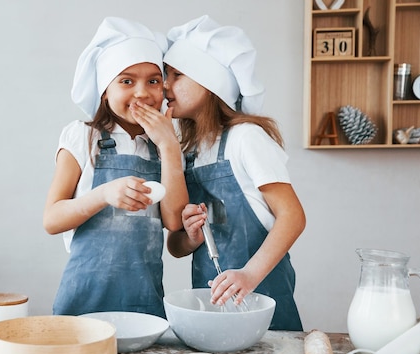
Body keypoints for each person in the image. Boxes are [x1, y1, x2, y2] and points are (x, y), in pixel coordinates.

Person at [164, 15, 305, 330]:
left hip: (264, 304)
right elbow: (175, 247)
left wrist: (249, 275)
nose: (165, 85)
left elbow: (293, 217)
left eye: (177, 75)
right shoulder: (187, 151)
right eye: (166, 75)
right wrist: (190, 236)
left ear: (209, 81)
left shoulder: (247, 139)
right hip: (212, 312)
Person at [43, 17, 187, 318]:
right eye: (126, 81)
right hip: (83, 299)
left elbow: (173, 222)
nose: (142, 93)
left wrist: (169, 146)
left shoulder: (167, 148)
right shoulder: (83, 136)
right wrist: (104, 194)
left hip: (144, 301)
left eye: (153, 80)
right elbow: (52, 219)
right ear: (104, 90)